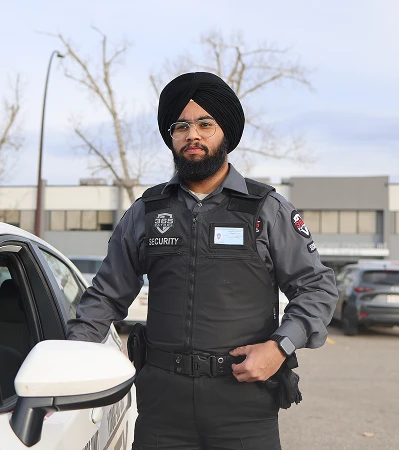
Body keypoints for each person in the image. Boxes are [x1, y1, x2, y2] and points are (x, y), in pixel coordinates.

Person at [67, 72, 338, 450]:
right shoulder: (148, 211)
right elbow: (106, 296)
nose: (192, 134)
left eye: (205, 124)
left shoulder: (265, 209)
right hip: (162, 406)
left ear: (224, 132)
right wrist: (68, 359)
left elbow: (317, 287)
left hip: (243, 404)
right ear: (171, 137)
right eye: (181, 126)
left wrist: (279, 347)